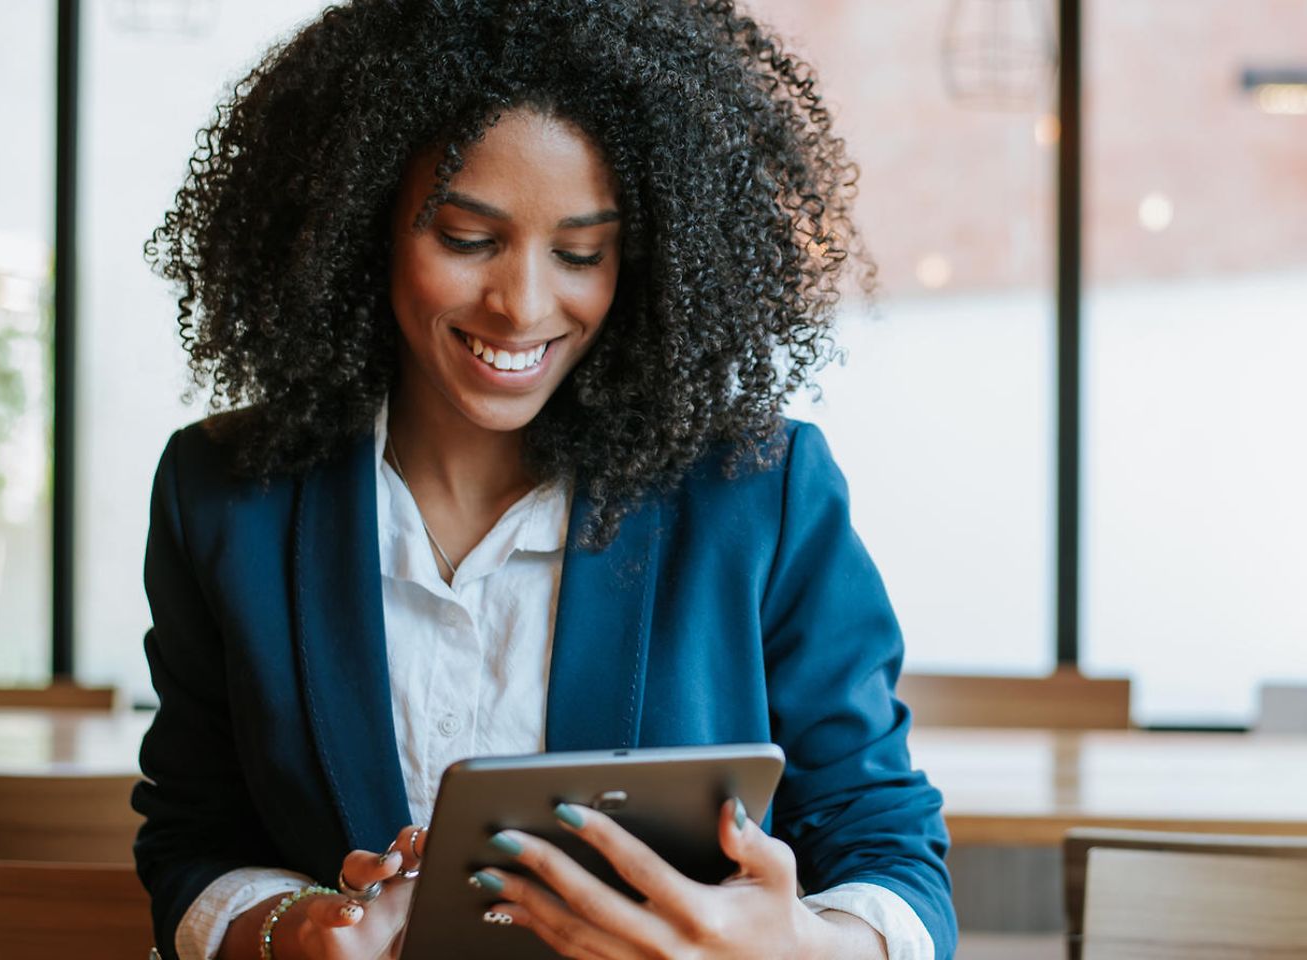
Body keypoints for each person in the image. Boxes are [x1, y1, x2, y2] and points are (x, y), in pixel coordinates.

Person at [132, 1, 957, 958]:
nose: (522, 306)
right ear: (359, 222)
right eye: (467, 238)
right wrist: (285, 932)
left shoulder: (758, 492)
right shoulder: (225, 494)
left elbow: (888, 846)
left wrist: (810, 947)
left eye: (579, 254)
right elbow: (193, 837)